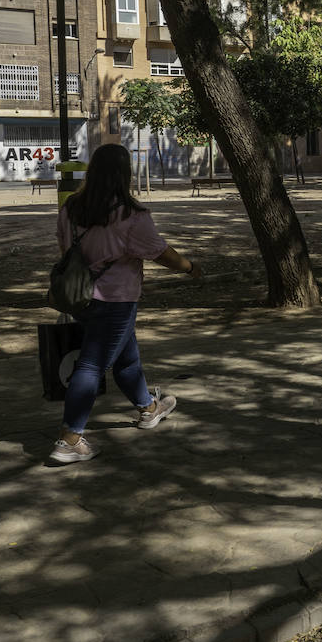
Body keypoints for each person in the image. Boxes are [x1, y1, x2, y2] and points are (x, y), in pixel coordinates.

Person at [49, 143, 201, 464]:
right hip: (116, 300)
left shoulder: (71, 209)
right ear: (124, 174)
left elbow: (64, 249)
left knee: (126, 359)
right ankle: (69, 439)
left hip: (81, 299)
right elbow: (159, 252)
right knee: (91, 366)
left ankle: (148, 408)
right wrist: (189, 267)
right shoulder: (130, 215)